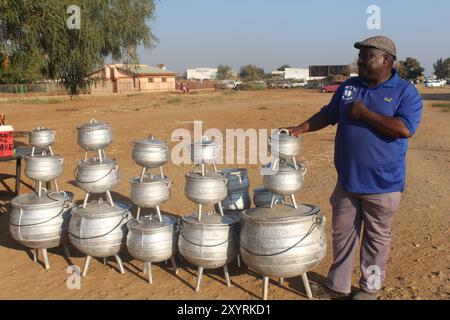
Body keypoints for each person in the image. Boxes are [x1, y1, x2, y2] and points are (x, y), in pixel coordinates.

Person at [286, 36, 423, 300]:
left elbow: (404, 129)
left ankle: (369, 291)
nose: (359, 61)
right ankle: (338, 287)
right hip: (347, 182)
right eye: (359, 56)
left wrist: (365, 115)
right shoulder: (349, 87)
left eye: (365, 56)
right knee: (342, 236)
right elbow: (328, 114)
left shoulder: (405, 92)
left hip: (382, 185)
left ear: (385, 60)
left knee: (375, 240)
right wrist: (299, 129)